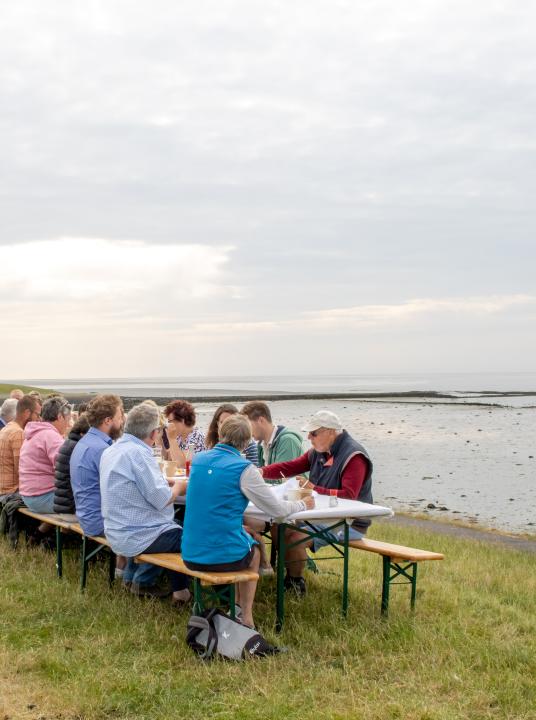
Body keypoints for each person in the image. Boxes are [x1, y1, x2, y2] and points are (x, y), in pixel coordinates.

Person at [182, 414, 314, 629]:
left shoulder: (198, 460)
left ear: (221, 435)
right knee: (254, 553)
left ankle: (235, 609)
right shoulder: (244, 469)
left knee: (246, 536)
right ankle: (245, 617)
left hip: (189, 551)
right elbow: (278, 511)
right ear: (247, 441)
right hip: (218, 555)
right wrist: (302, 505)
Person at [261, 410, 373, 596]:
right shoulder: (318, 451)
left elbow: (349, 496)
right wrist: (260, 472)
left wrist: (313, 487)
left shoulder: (354, 456)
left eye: (313, 433)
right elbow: (289, 467)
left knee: (296, 537)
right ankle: (287, 575)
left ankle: (295, 584)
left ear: (330, 431)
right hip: (320, 515)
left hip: (349, 521)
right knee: (278, 525)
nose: (308, 437)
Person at [100, 402, 191, 603]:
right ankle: (175, 590)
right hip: (137, 534)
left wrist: (166, 482)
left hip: (116, 529)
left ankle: (131, 578)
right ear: (153, 433)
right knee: (187, 536)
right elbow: (161, 500)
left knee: (171, 528)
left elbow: (136, 485)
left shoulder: (114, 449)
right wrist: (179, 487)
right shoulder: (139, 453)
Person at [69, 395, 124, 537]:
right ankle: (132, 559)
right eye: (119, 417)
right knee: (171, 526)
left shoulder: (84, 442)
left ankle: (123, 558)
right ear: (107, 421)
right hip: (100, 521)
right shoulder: (102, 450)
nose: (122, 421)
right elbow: (122, 489)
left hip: (86, 516)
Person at [19, 396, 72, 513]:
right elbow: (64, 468)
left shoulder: (35, 432)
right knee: (89, 501)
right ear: (59, 417)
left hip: (29, 496)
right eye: (68, 420)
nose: (68, 425)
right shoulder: (50, 435)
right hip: (43, 497)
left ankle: (42, 531)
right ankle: (71, 531)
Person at [0, 395, 42, 501]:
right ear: (27, 413)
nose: (39, 419)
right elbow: (21, 470)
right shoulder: (18, 433)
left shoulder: (6, 428)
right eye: (37, 415)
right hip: (11, 493)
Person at [241, 401, 305, 467]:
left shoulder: (288, 440)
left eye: (248, 425)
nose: (246, 431)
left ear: (261, 420)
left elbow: (283, 475)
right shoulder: (261, 445)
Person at [53, 414, 91, 514]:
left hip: (61, 503)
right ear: (83, 433)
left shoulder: (68, 443)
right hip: (70, 506)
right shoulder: (78, 447)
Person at [164, 400, 206, 466]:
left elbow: (182, 465)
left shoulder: (196, 437)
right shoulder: (180, 437)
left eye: (171, 422)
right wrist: (158, 439)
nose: (169, 425)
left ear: (182, 420)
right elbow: (168, 458)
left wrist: (171, 439)